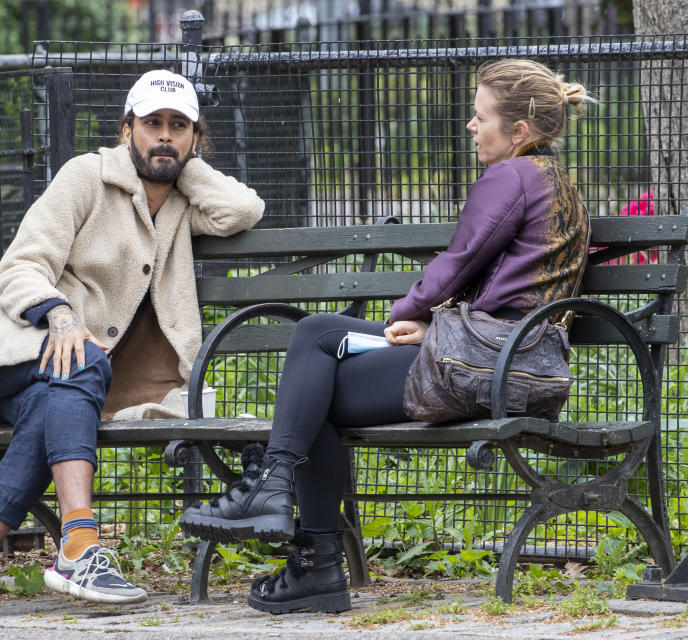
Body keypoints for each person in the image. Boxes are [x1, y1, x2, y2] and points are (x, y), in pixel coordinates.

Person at [180, 58, 593, 615]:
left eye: (480, 118)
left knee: (313, 393)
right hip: (500, 356)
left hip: (489, 364)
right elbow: (504, 283)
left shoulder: (511, 176)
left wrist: (409, 309)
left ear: (518, 131)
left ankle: (312, 552)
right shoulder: (553, 181)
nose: (471, 127)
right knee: (317, 334)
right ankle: (286, 508)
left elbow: (459, 261)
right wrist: (429, 324)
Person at [0, 69, 265, 620]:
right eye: (152, 124)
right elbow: (21, 264)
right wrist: (62, 314)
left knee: (58, 403)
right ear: (127, 130)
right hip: (2, 346)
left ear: (195, 138)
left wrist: (183, 169)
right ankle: (80, 544)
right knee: (84, 362)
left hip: (61, 379)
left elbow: (243, 209)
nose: (163, 136)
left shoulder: (185, 205)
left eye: (178, 127)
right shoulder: (85, 177)